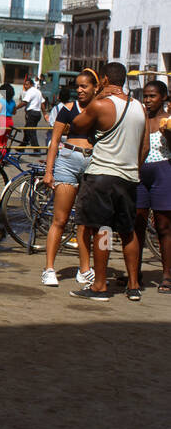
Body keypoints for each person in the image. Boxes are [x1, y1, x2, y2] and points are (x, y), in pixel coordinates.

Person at [69, 62, 148, 301]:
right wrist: (134, 168)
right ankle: (134, 286)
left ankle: (100, 286)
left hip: (102, 176)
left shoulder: (101, 105)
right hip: (129, 177)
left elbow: (78, 124)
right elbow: (144, 146)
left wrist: (95, 98)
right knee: (128, 231)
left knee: (102, 230)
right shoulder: (139, 107)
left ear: (103, 80)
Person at [40, 69, 100, 287]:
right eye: (78, 86)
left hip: (93, 162)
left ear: (95, 87)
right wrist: (49, 171)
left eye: (85, 86)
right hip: (67, 161)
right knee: (60, 219)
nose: (80, 90)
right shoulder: (67, 110)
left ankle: (84, 269)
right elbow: (54, 142)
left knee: (86, 221)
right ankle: (48, 268)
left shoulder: (101, 109)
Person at [133, 78, 171, 293]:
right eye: (145, 96)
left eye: (152, 96)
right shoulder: (139, 119)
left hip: (163, 172)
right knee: (136, 224)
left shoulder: (168, 120)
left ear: (163, 97)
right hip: (139, 174)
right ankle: (134, 272)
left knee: (164, 227)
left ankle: (167, 275)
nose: (147, 100)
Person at [20, 75, 45, 146]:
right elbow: (42, 102)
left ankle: (36, 148)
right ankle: (22, 146)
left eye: (27, 85)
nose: (25, 86)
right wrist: (44, 113)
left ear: (31, 85)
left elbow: (24, 102)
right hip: (37, 114)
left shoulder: (30, 91)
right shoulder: (38, 92)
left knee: (31, 131)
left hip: (32, 113)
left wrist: (16, 108)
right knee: (27, 129)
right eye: (24, 84)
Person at [0, 82, 15, 148]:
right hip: (10, 121)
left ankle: (2, 155)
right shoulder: (13, 102)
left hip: (2, 121)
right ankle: (3, 157)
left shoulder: (2, 101)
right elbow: (14, 112)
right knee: (4, 142)